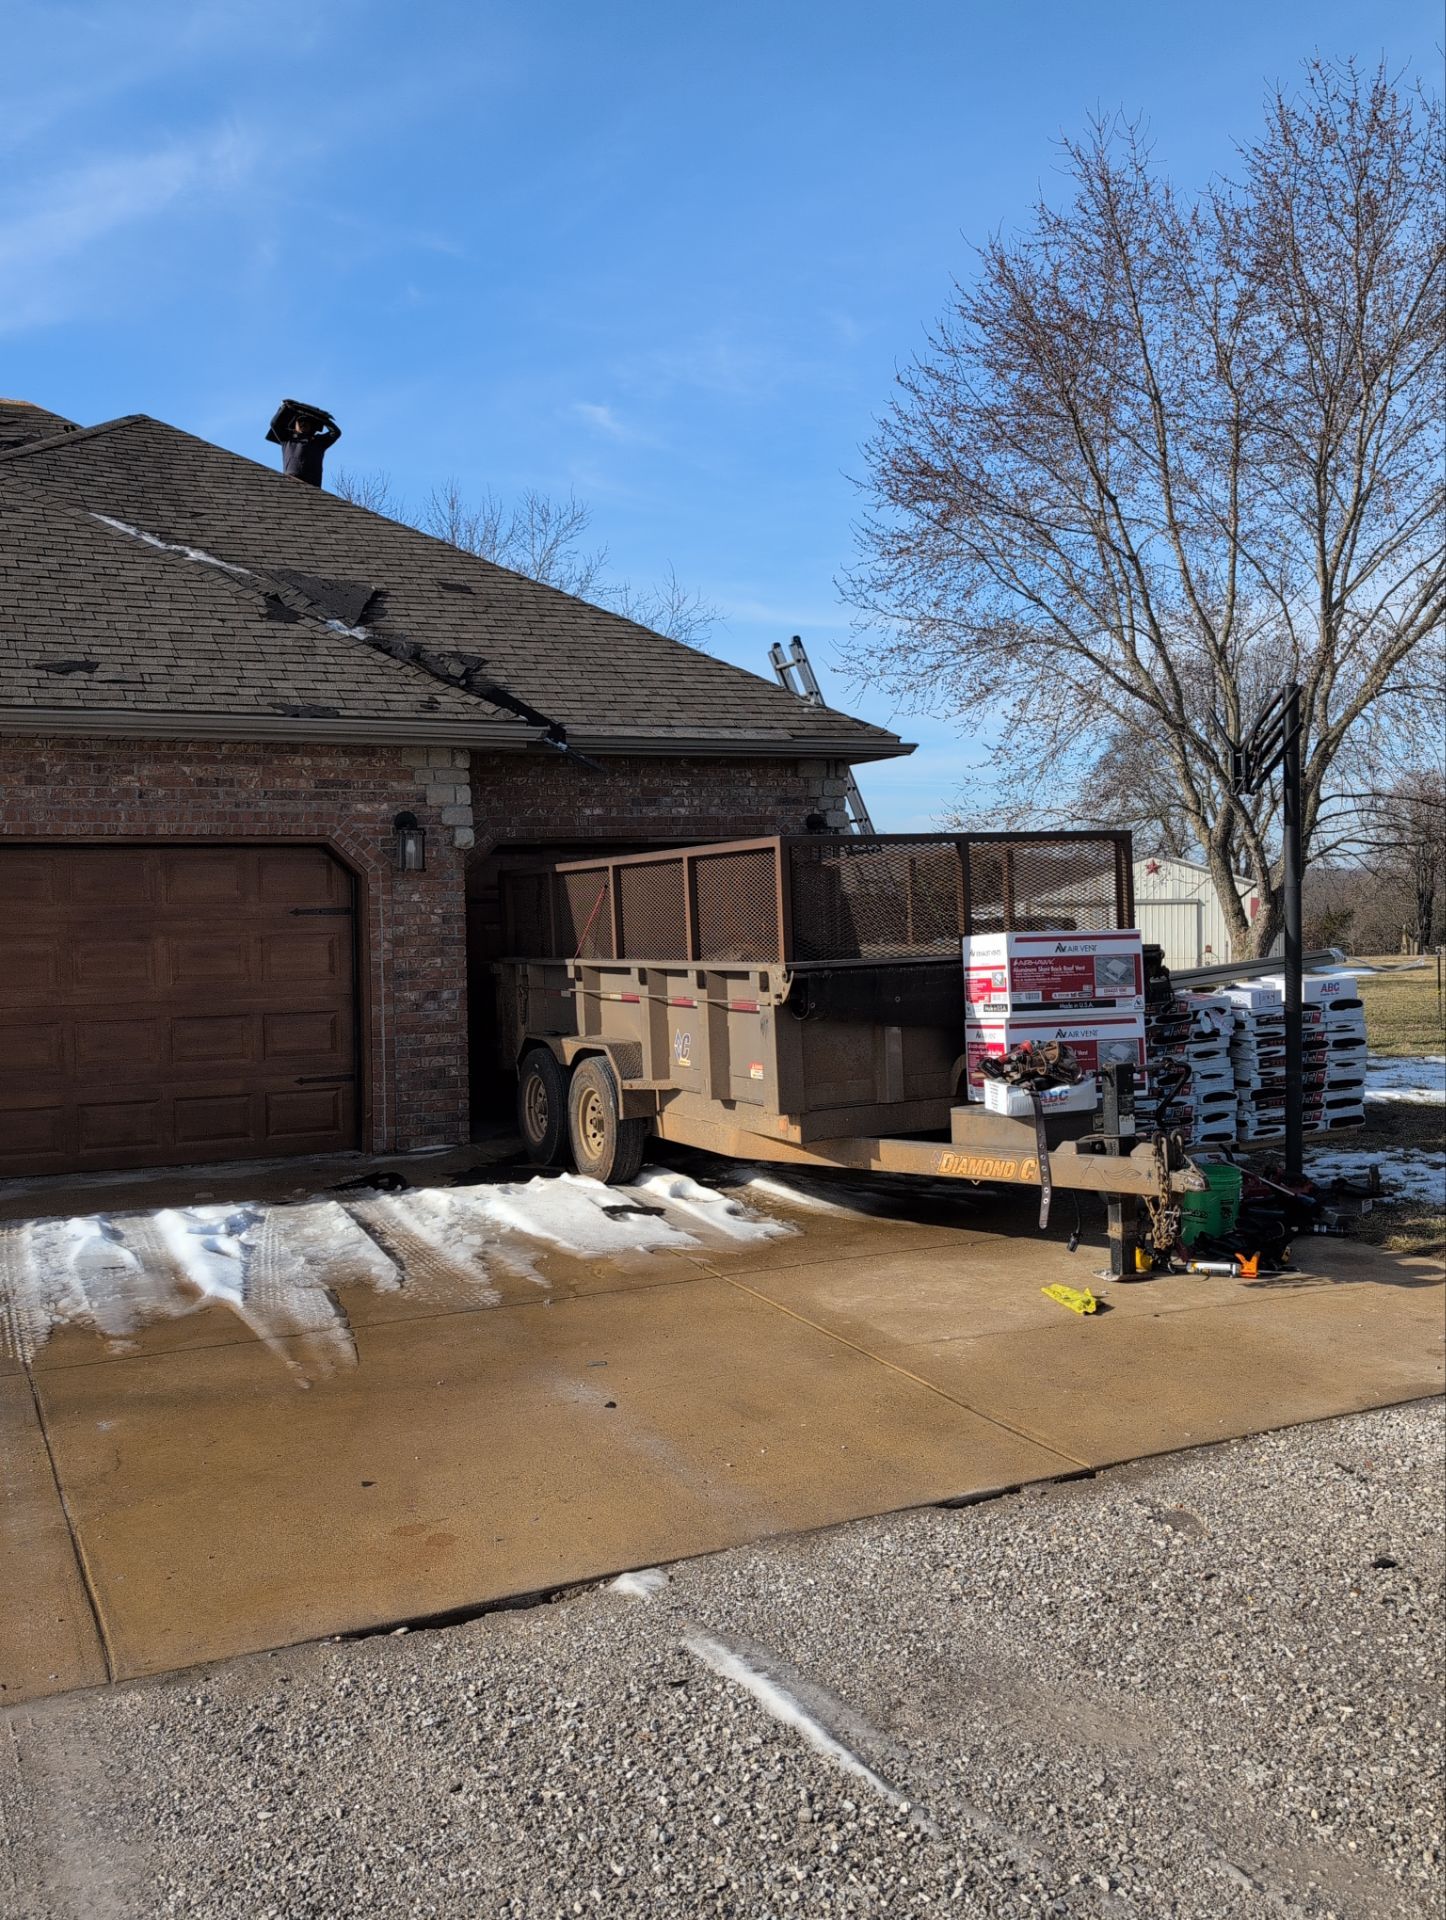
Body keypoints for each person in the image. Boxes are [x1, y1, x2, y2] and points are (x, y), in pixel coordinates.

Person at [266, 400, 341, 486]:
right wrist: (284, 408)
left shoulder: (319, 442)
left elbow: (336, 433)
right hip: (291, 479)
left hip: (313, 483)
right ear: (295, 425)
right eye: (300, 422)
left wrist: (324, 420)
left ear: (311, 426)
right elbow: (274, 424)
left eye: (306, 422)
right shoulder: (287, 438)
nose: (303, 424)